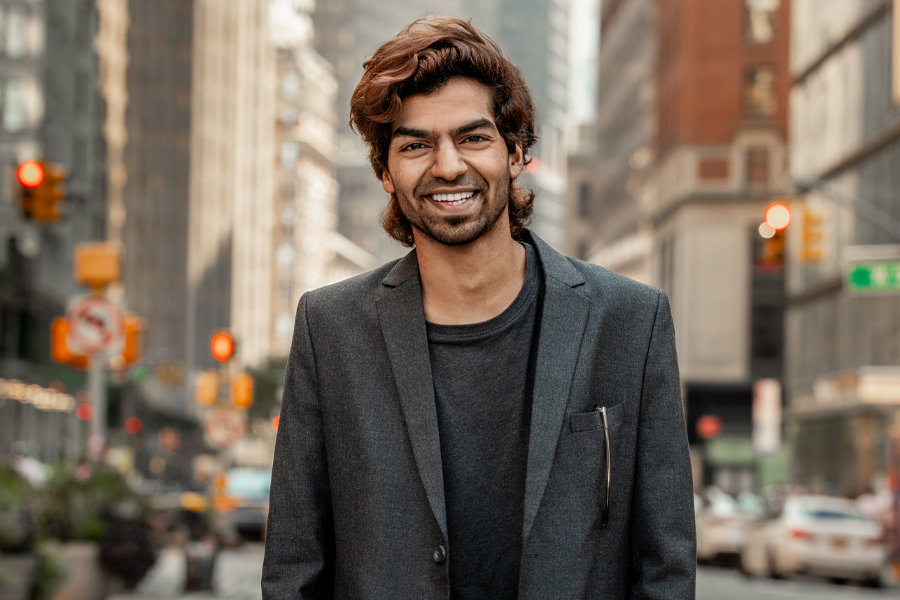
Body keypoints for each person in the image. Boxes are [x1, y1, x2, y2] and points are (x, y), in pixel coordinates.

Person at [262, 17, 695, 599]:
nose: (447, 166)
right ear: (386, 173)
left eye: (473, 137)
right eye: (416, 144)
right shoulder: (330, 327)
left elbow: (665, 565)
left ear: (516, 154)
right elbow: (295, 565)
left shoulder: (629, 321)